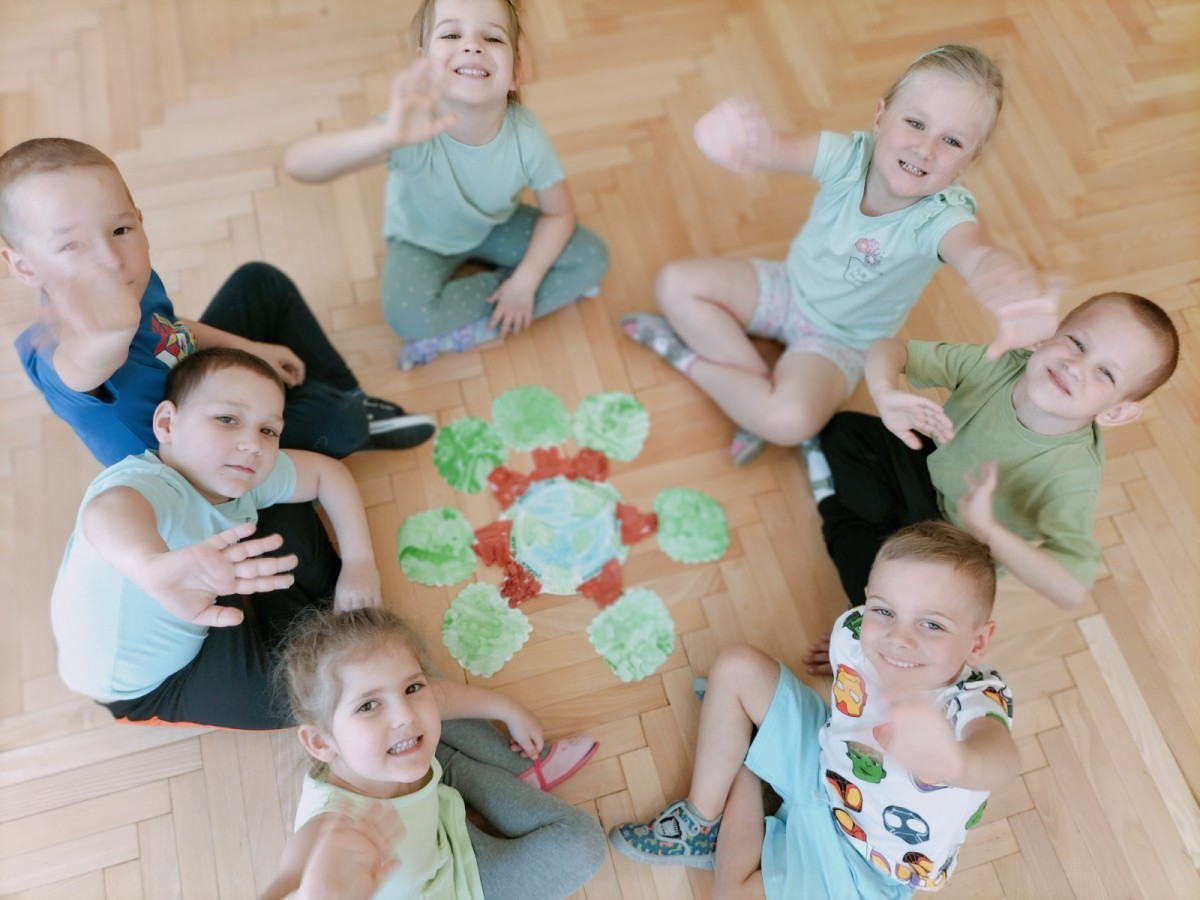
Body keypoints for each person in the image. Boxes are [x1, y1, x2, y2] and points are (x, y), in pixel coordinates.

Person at [621, 45, 1061, 466]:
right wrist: (741, 143)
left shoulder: (942, 216)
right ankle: (754, 394)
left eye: (952, 141)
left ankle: (691, 361)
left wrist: (1005, 283)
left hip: (841, 343)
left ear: (968, 162)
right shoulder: (846, 157)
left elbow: (976, 252)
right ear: (880, 117)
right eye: (915, 123)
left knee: (788, 420)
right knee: (674, 284)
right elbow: (776, 148)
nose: (925, 149)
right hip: (786, 288)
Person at [610, 522, 1018, 898]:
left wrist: (956, 762)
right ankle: (702, 819)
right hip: (824, 765)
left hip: (865, 864)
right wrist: (853, 657)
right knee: (736, 668)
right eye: (884, 611)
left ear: (977, 643)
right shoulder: (857, 633)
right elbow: (864, 641)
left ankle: (748, 762)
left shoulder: (976, 698)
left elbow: (1000, 756)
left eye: (931, 625)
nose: (897, 638)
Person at [801, 290, 1180, 672]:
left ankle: (862, 636)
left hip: (961, 548)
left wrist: (990, 532)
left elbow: (1069, 587)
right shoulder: (998, 365)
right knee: (844, 431)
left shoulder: (1074, 475)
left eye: (1106, 373)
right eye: (1077, 342)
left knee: (873, 575)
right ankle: (884, 555)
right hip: (926, 476)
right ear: (1045, 336)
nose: (1076, 366)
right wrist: (886, 395)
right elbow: (891, 349)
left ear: (1116, 412)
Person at [0, 136, 436, 465]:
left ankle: (349, 395)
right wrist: (110, 329)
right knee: (338, 423)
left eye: (120, 230)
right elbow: (90, 361)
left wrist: (251, 349)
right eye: (70, 246)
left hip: (204, 383)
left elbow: (170, 330)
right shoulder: (64, 356)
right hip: (198, 469)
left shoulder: (132, 276)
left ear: (140, 221)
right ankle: (322, 430)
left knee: (260, 283)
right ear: (23, 266)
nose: (110, 260)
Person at [50, 348, 382, 729]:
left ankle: (302, 620)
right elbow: (108, 512)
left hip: (211, 586)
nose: (253, 444)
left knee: (288, 505)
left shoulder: (234, 473)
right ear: (167, 424)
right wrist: (150, 567)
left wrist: (360, 562)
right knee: (302, 699)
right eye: (227, 419)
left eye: (269, 431)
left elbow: (328, 474)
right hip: (153, 681)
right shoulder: (151, 485)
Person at [283, 0, 610, 370]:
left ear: (515, 72)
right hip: (421, 240)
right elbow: (298, 164)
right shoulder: (410, 131)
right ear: (424, 65)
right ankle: (497, 300)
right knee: (407, 318)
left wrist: (525, 282)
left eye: (492, 38)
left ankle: (484, 316)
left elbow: (559, 213)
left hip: (494, 224)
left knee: (592, 257)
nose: (472, 46)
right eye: (452, 34)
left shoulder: (527, 136)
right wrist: (386, 137)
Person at [263, 606, 607, 900]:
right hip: (459, 888)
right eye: (367, 705)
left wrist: (507, 709)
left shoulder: (389, 737)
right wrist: (315, 894)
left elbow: (434, 698)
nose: (405, 715)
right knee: (581, 845)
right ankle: (480, 765)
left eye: (411, 688)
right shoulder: (327, 828)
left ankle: (466, 757)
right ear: (320, 743)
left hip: (444, 829)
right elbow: (286, 882)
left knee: (414, 685)